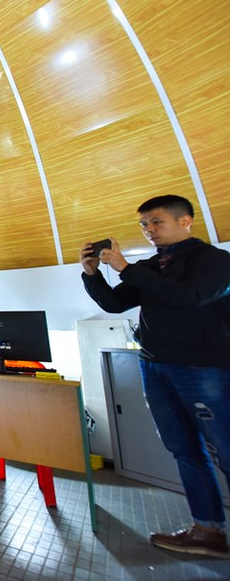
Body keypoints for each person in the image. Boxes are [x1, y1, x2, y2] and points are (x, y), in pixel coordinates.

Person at [80, 194, 230, 558]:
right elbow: (116, 303)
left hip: (202, 370)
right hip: (154, 366)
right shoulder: (152, 266)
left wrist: (128, 269)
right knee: (183, 449)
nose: (149, 231)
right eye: (144, 225)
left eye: (156, 222)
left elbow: (191, 296)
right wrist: (92, 274)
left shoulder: (214, 261)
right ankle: (208, 530)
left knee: (225, 449)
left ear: (185, 221)